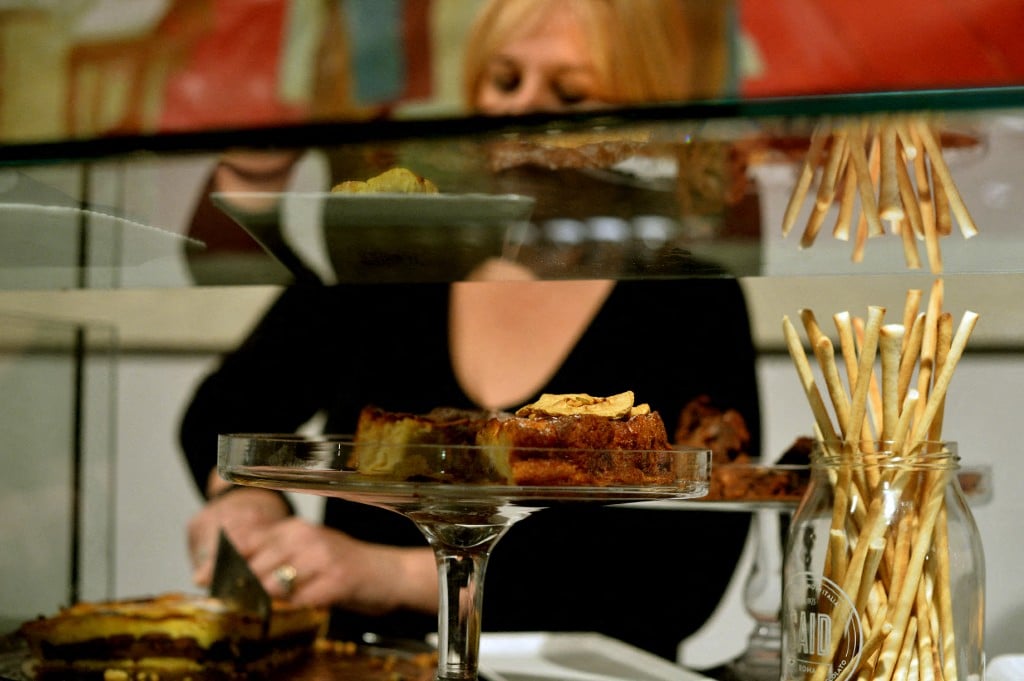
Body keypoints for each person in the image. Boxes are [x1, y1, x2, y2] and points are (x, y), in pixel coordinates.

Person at [181, 0, 757, 663]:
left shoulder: (687, 303)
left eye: (568, 95)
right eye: (505, 81)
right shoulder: (399, 273)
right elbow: (223, 412)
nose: (520, 111)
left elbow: (679, 574)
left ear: (643, 121)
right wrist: (244, 503)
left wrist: (386, 574)